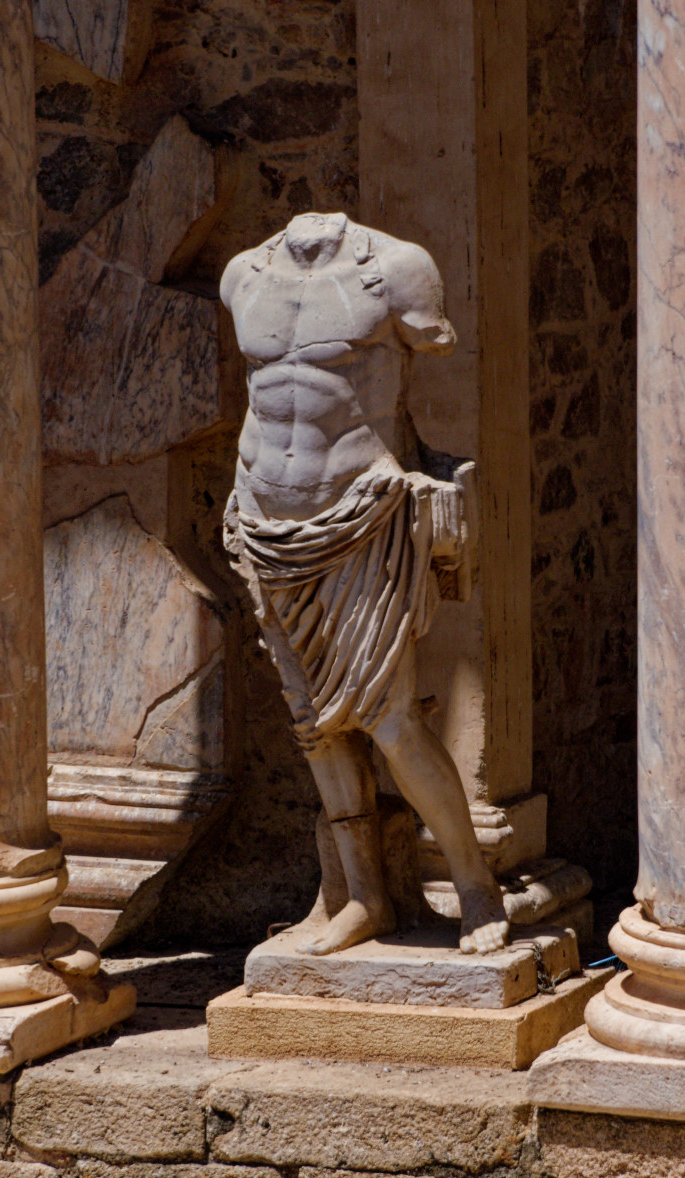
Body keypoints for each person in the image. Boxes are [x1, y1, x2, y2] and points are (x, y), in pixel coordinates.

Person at [220, 212, 509, 955]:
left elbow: (434, 344)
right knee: (314, 727)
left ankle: (475, 886)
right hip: (264, 525)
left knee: (390, 721)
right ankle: (363, 896)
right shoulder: (243, 273)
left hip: (362, 517)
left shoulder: (397, 269)